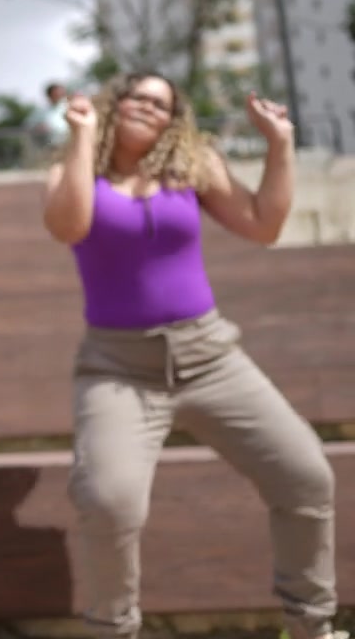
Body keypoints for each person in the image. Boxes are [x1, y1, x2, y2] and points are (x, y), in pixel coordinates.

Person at [43, 72, 342, 639]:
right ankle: (113, 631)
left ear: (173, 121)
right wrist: (82, 137)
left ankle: (311, 625)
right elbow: (67, 225)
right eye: (137, 97)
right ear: (114, 104)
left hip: (209, 357)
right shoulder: (73, 170)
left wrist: (280, 144)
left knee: (306, 475)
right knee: (109, 501)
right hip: (118, 368)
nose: (147, 108)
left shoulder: (191, 166)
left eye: (161, 105)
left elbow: (264, 224)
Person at [25, 81, 71, 151]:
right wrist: (37, 128)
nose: (59, 95)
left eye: (61, 93)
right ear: (49, 95)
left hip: (69, 145)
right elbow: (28, 125)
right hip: (49, 147)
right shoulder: (40, 111)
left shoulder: (69, 107)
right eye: (56, 93)